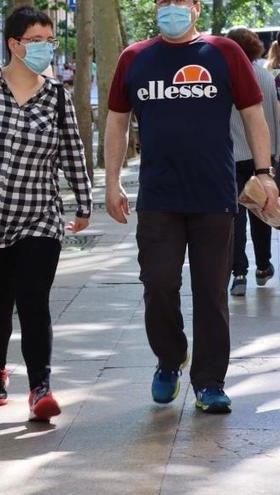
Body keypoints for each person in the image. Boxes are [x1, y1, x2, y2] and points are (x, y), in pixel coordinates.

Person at [104, 0, 279, 414]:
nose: (172, 9)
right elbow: (116, 120)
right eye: (164, 3)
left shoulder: (223, 52)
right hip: (158, 196)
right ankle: (169, 358)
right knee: (158, 285)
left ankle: (209, 382)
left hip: (213, 194)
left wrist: (265, 171)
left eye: (180, 2)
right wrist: (111, 182)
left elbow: (253, 115)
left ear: (196, 8)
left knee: (211, 292)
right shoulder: (135, 58)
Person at [0, 6, 92, 422]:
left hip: (40, 215)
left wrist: (84, 201)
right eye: (35, 41)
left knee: (34, 299)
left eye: (49, 41)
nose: (44, 48)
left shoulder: (57, 95)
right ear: (13, 44)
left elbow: (72, 151)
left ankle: (41, 385)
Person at [227, 28, 280, 296]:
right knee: (261, 214)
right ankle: (263, 264)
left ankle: (239, 272)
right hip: (263, 159)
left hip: (231, 158)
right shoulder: (267, 78)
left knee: (234, 218)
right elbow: (275, 116)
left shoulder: (225, 77)